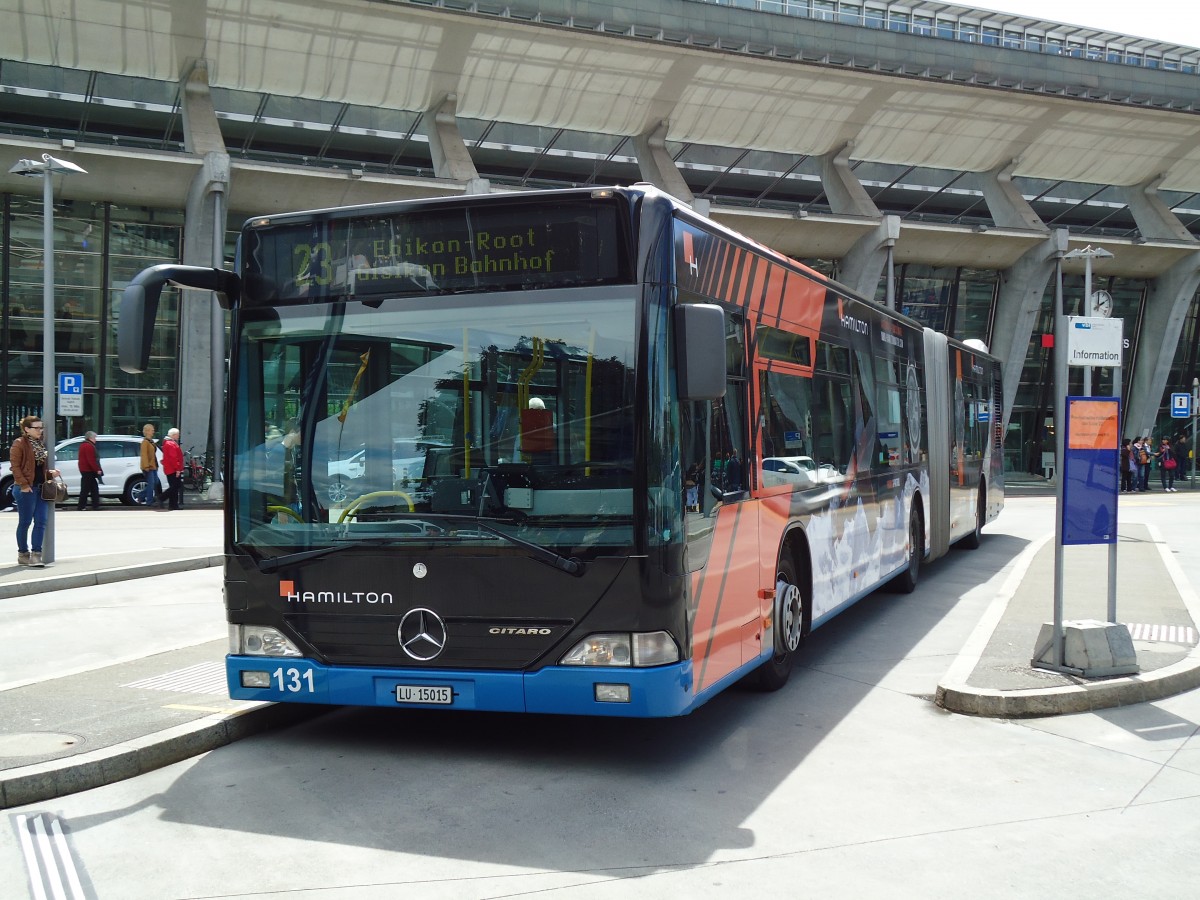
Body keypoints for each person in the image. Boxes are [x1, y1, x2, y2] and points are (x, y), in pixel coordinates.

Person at [10, 415, 60, 567]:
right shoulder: (19, 443)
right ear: (26, 429)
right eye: (36, 428)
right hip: (26, 489)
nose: (40, 430)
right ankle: (23, 554)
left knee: (41, 521)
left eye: (41, 427)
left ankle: (36, 555)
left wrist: (50, 474)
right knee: (25, 522)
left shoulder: (40, 444)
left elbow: (38, 470)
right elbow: (15, 467)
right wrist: (24, 485)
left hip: (40, 488)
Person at [77, 430, 103, 510]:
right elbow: (91, 460)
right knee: (88, 489)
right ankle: (83, 506)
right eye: (94, 438)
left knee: (92, 488)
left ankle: (94, 505)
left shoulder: (83, 445)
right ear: (90, 438)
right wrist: (97, 469)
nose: (95, 440)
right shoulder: (89, 446)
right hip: (88, 470)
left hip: (85, 470)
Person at [161, 427, 184, 510]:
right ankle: (162, 497)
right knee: (176, 486)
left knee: (174, 487)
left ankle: (173, 505)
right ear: (173, 435)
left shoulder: (168, 443)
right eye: (177, 434)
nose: (178, 436)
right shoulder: (171, 444)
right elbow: (173, 457)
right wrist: (177, 469)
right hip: (172, 469)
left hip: (170, 468)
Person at [140, 423, 160, 506]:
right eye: (152, 430)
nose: (153, 432)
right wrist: (146, 466)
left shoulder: (151, 441)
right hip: (149, 467)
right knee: (151, 484)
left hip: (153, 466)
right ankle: (149, 501)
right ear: (147, 431)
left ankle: (140, 495)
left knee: (155, 482)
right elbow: (144, 455)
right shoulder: (145, 442)